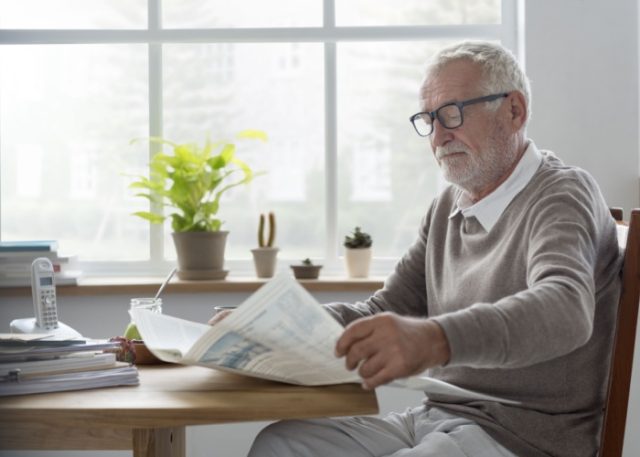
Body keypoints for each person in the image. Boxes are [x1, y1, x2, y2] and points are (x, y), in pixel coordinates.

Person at [229, 41, 621, 457]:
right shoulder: (447, 207)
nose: (438, 136)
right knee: (281, 443)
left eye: (453, 113)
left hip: (523, 438)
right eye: (428, 119)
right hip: (436, 418)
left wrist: (436, 339)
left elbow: (564, 309)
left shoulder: (562, 195)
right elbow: (385, 311)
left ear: (514, 111)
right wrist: (271, 323)